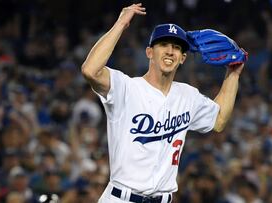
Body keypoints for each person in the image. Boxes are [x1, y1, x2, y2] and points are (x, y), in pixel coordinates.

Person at [81, 3, 244, 203]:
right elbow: (90, 70)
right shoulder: (127, 88)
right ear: (149, 52)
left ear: (183, 58)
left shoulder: (187, 95)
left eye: (176, 47)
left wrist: (233, 74)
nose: (170, 51)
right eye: (164, 45)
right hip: (121, 198)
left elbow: (219, 120)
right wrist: (121, 23)